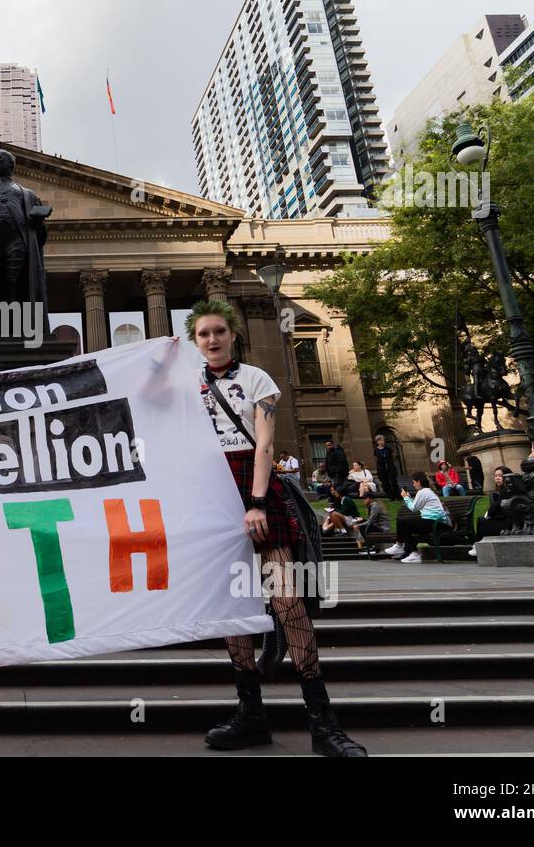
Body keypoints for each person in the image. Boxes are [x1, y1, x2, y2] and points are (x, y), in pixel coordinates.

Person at [188, 299, 366, 757]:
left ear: (232, 336)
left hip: (254, 485)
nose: (212, 340)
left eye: (219, 332)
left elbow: (265, 443)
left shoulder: (256, 380)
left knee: (287, 601)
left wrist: (258, 502)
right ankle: (251, 715)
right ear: (194, 341)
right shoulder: (187, 384)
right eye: (203, 334)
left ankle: (324, 724)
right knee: (233, 607)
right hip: (212, 491)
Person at [388, 473, 454, 563]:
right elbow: (416, 506)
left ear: (419, 482)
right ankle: (410, 551)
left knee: (402, 522)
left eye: (414, 482)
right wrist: (408, 497)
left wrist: (405, 497)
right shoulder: (427, 491)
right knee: (403, 525)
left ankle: (400, 546)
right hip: (435, 522)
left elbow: (413, 508)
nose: (413, 485)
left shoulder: (423, 492)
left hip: (435, 523)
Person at [470, 465, 517, 556]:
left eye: (500, 476)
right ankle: (479, 545)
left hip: (510, 524)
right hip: (505, 520)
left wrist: (488, 514)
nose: (497, 478)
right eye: (495, 476)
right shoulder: (504, 489)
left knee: (482, 521)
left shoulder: (506, 489)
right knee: (483, 521)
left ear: (507, 476)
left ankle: (479, 545)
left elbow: (495, 507)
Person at [373, 433, 399, 498]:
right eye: (381, 440)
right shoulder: (376, 450)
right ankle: (391, 496)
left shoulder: (388, 449)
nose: (383, 441)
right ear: (378, 441)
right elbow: (377, 460)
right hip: (382, 468)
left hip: (390, 467)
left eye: (383, 440)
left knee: (393, 481)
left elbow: (393, 458)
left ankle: (397, 495)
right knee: (385, 482)